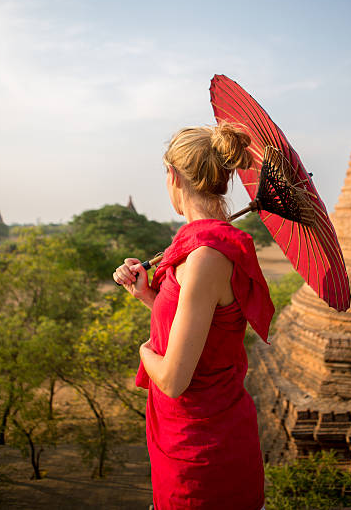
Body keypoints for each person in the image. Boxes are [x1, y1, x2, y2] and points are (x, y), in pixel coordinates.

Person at [113, 122, 274, 510]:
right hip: (185, 437)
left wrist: (143, 351)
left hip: (202, 451)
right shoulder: (199, 248)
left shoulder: (205, 256)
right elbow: (203, 330)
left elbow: (171, 379)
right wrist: (149, 296)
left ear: (173, 176)